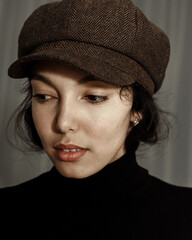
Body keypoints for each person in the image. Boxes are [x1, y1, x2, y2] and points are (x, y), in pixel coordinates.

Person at [1, 0, 192, 239]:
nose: (62, 123)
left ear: (137, 110)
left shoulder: (184, 217)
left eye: (93, 97)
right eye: (44, 96)